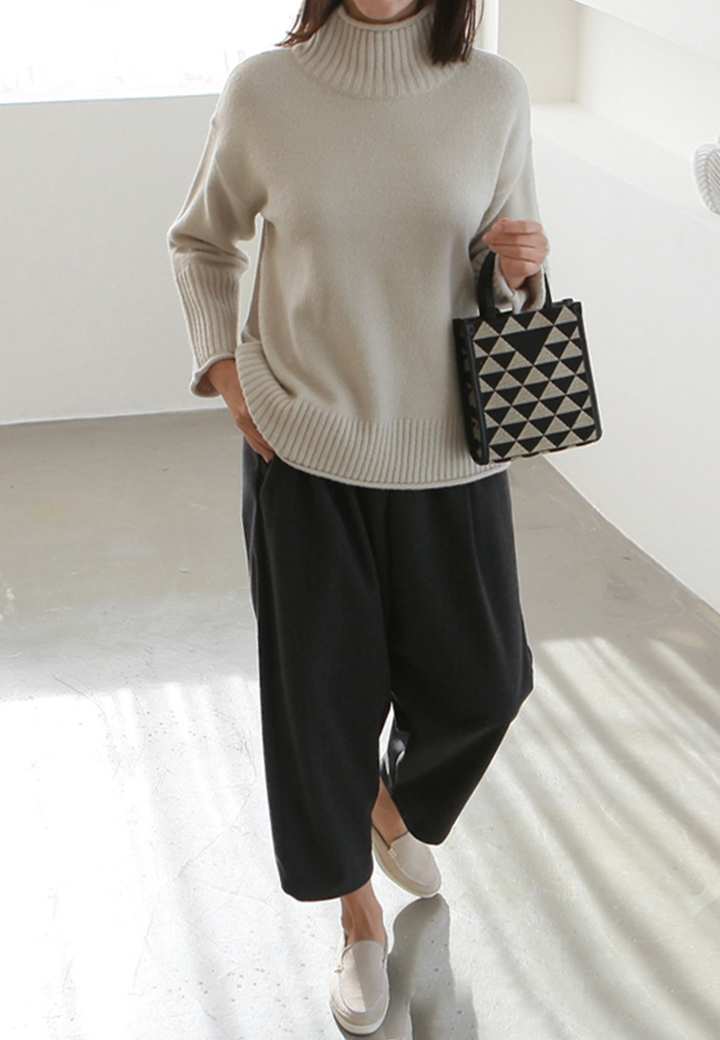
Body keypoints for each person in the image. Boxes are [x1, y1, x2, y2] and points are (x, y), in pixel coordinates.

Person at [167, 0, 549, 1032]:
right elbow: (202, 241)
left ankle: (389, 805)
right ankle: (359, 920)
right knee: (321, 703)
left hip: (450, 450)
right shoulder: (266, 90)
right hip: (304, 445)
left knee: (487, 679)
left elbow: (505, 282)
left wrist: (522, 271)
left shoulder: (493, 91)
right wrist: (228, 377)